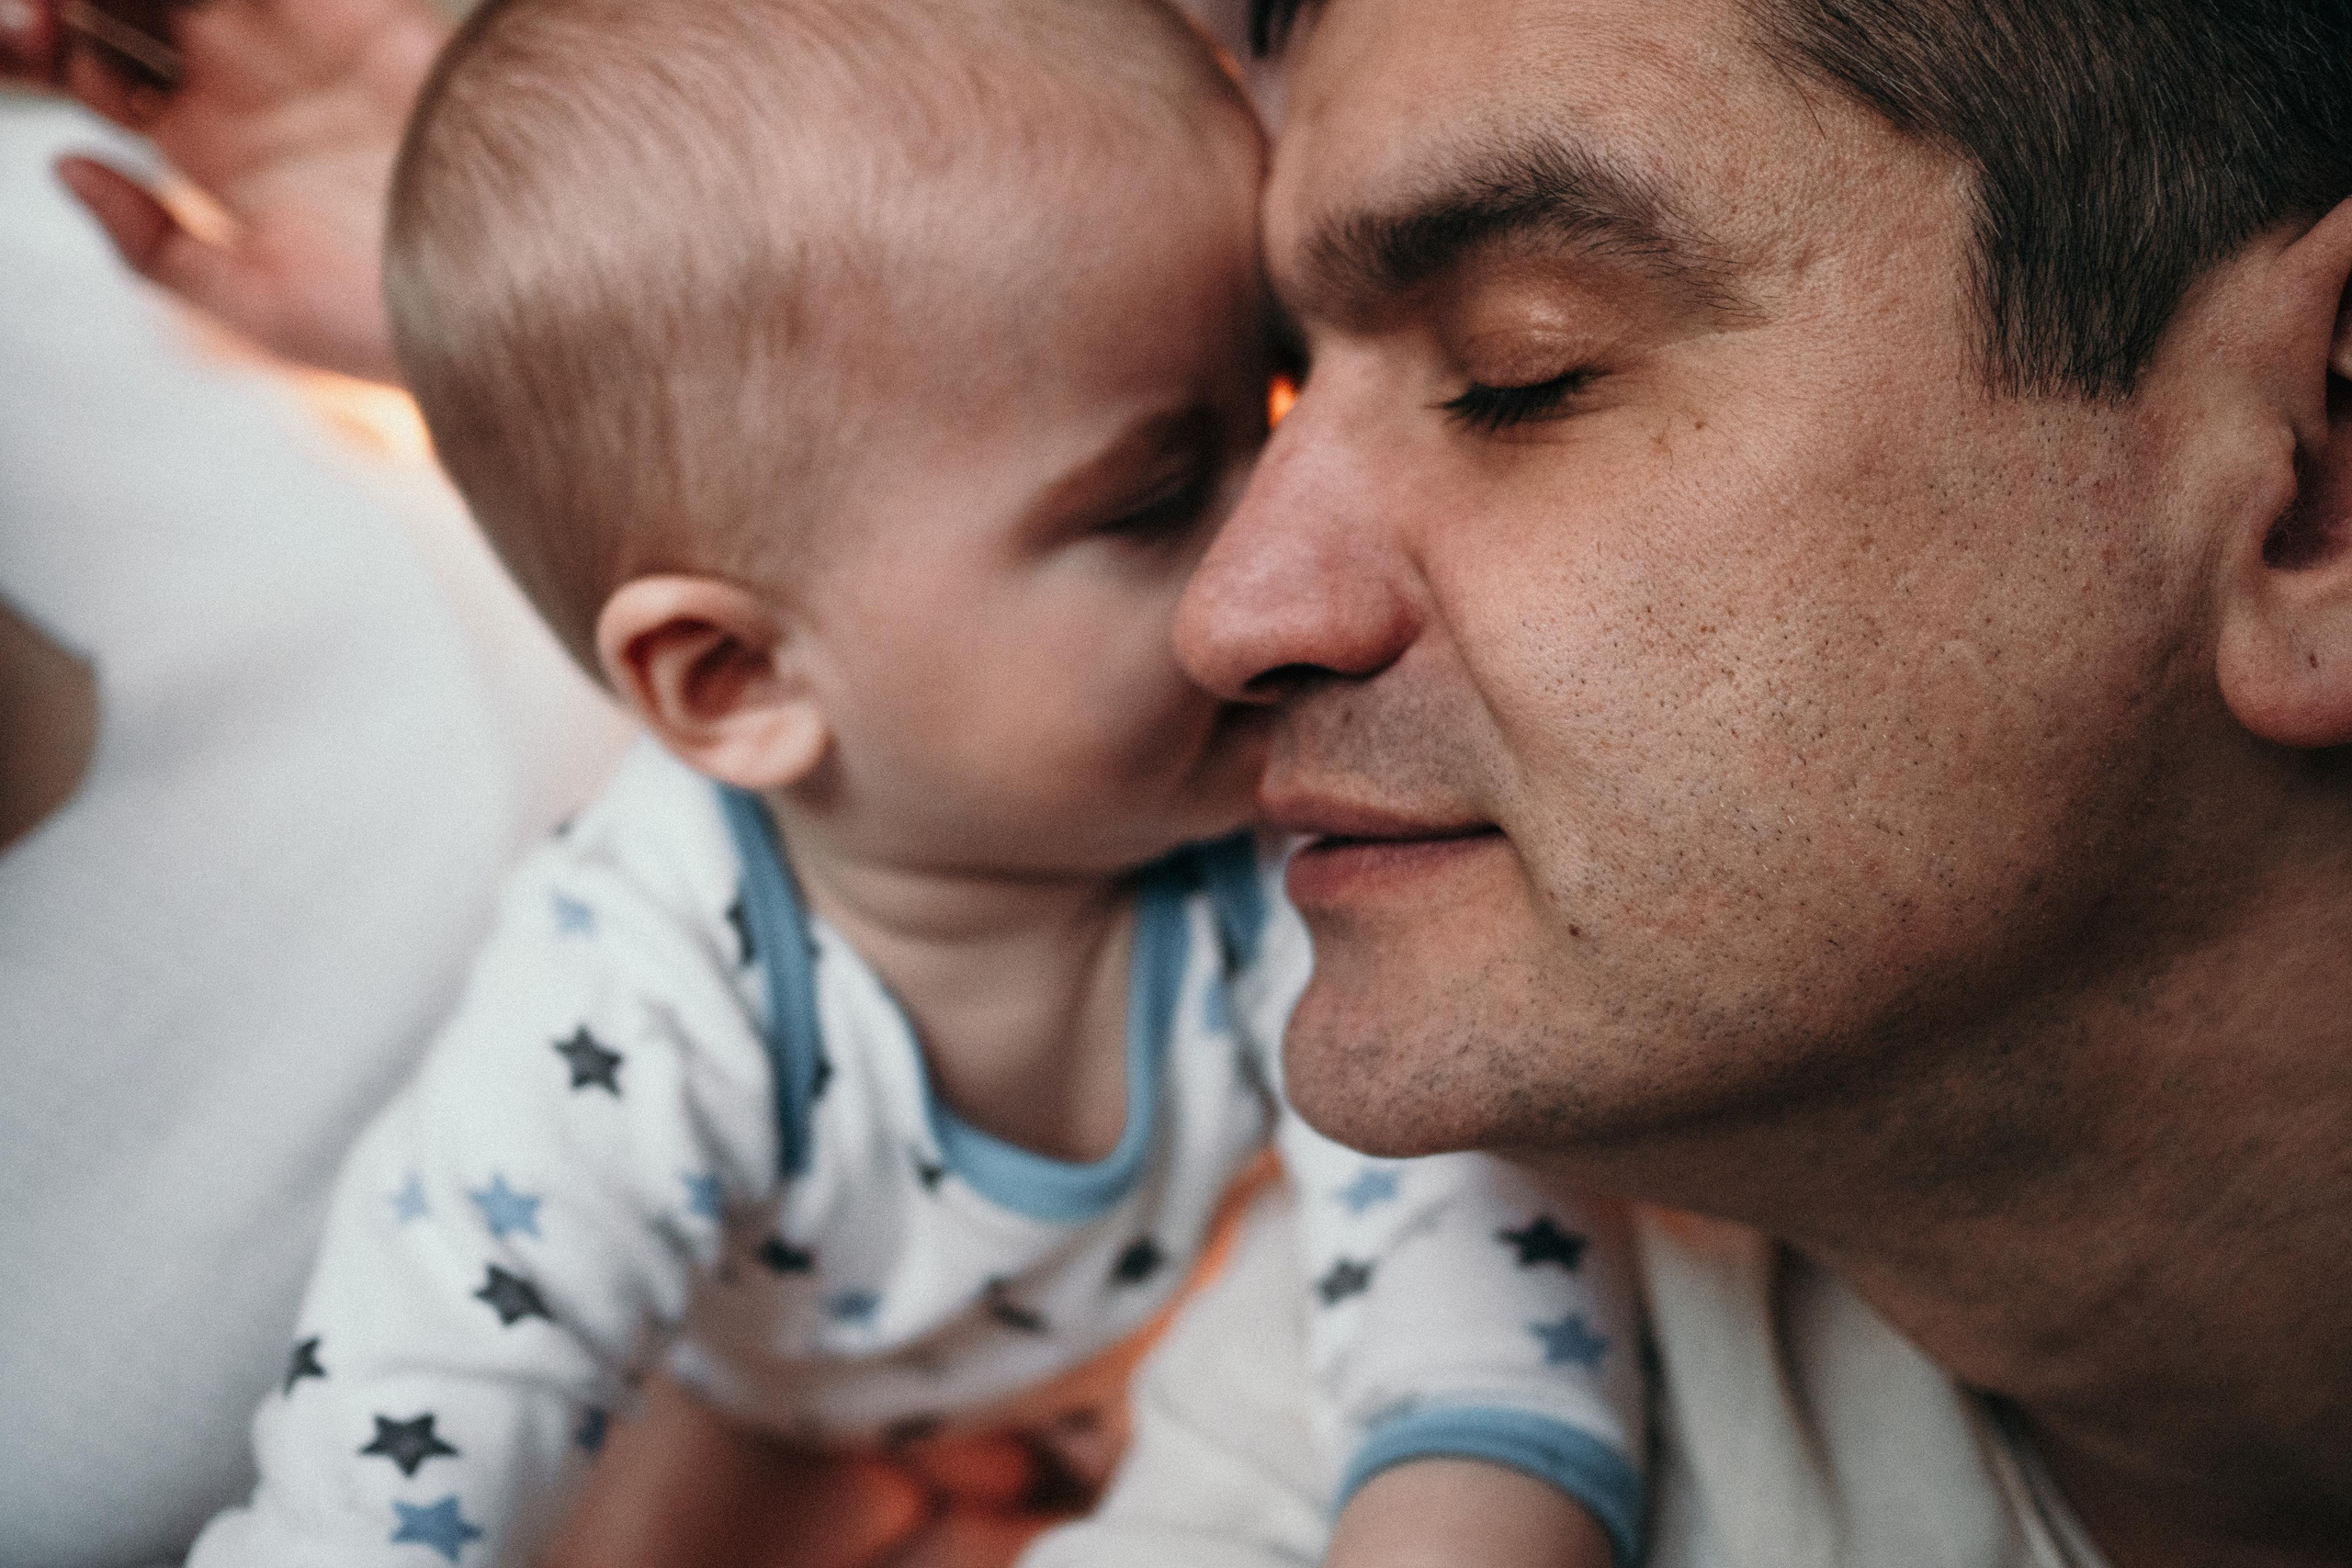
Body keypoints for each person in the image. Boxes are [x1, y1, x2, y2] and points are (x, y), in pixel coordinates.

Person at [163, 1, 1651, 1565]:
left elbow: (1481, 1320)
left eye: (1277, 403)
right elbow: (370, 1490)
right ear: (740, 684)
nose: (1290, 553)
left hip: (1143, 1341)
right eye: (1154, 498)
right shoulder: (627, 1013)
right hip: (759, 1396)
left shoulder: (1296, 825)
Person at [1027, 1, 2352, 1566]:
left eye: (1519, 369)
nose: (1231, 614)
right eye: (1279, 402)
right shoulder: (1448, 1341)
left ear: (2314, 476)